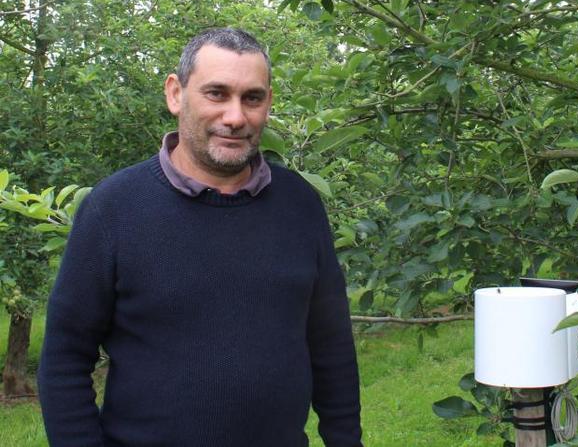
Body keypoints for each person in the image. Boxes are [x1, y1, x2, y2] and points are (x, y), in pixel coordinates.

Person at [37, 28, 363, 447]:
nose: (235, 117)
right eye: (216, 93)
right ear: (176, 94)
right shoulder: (114, 208)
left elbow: (331, 348)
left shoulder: (299, 204)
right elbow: (64, 359)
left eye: (252, 98)